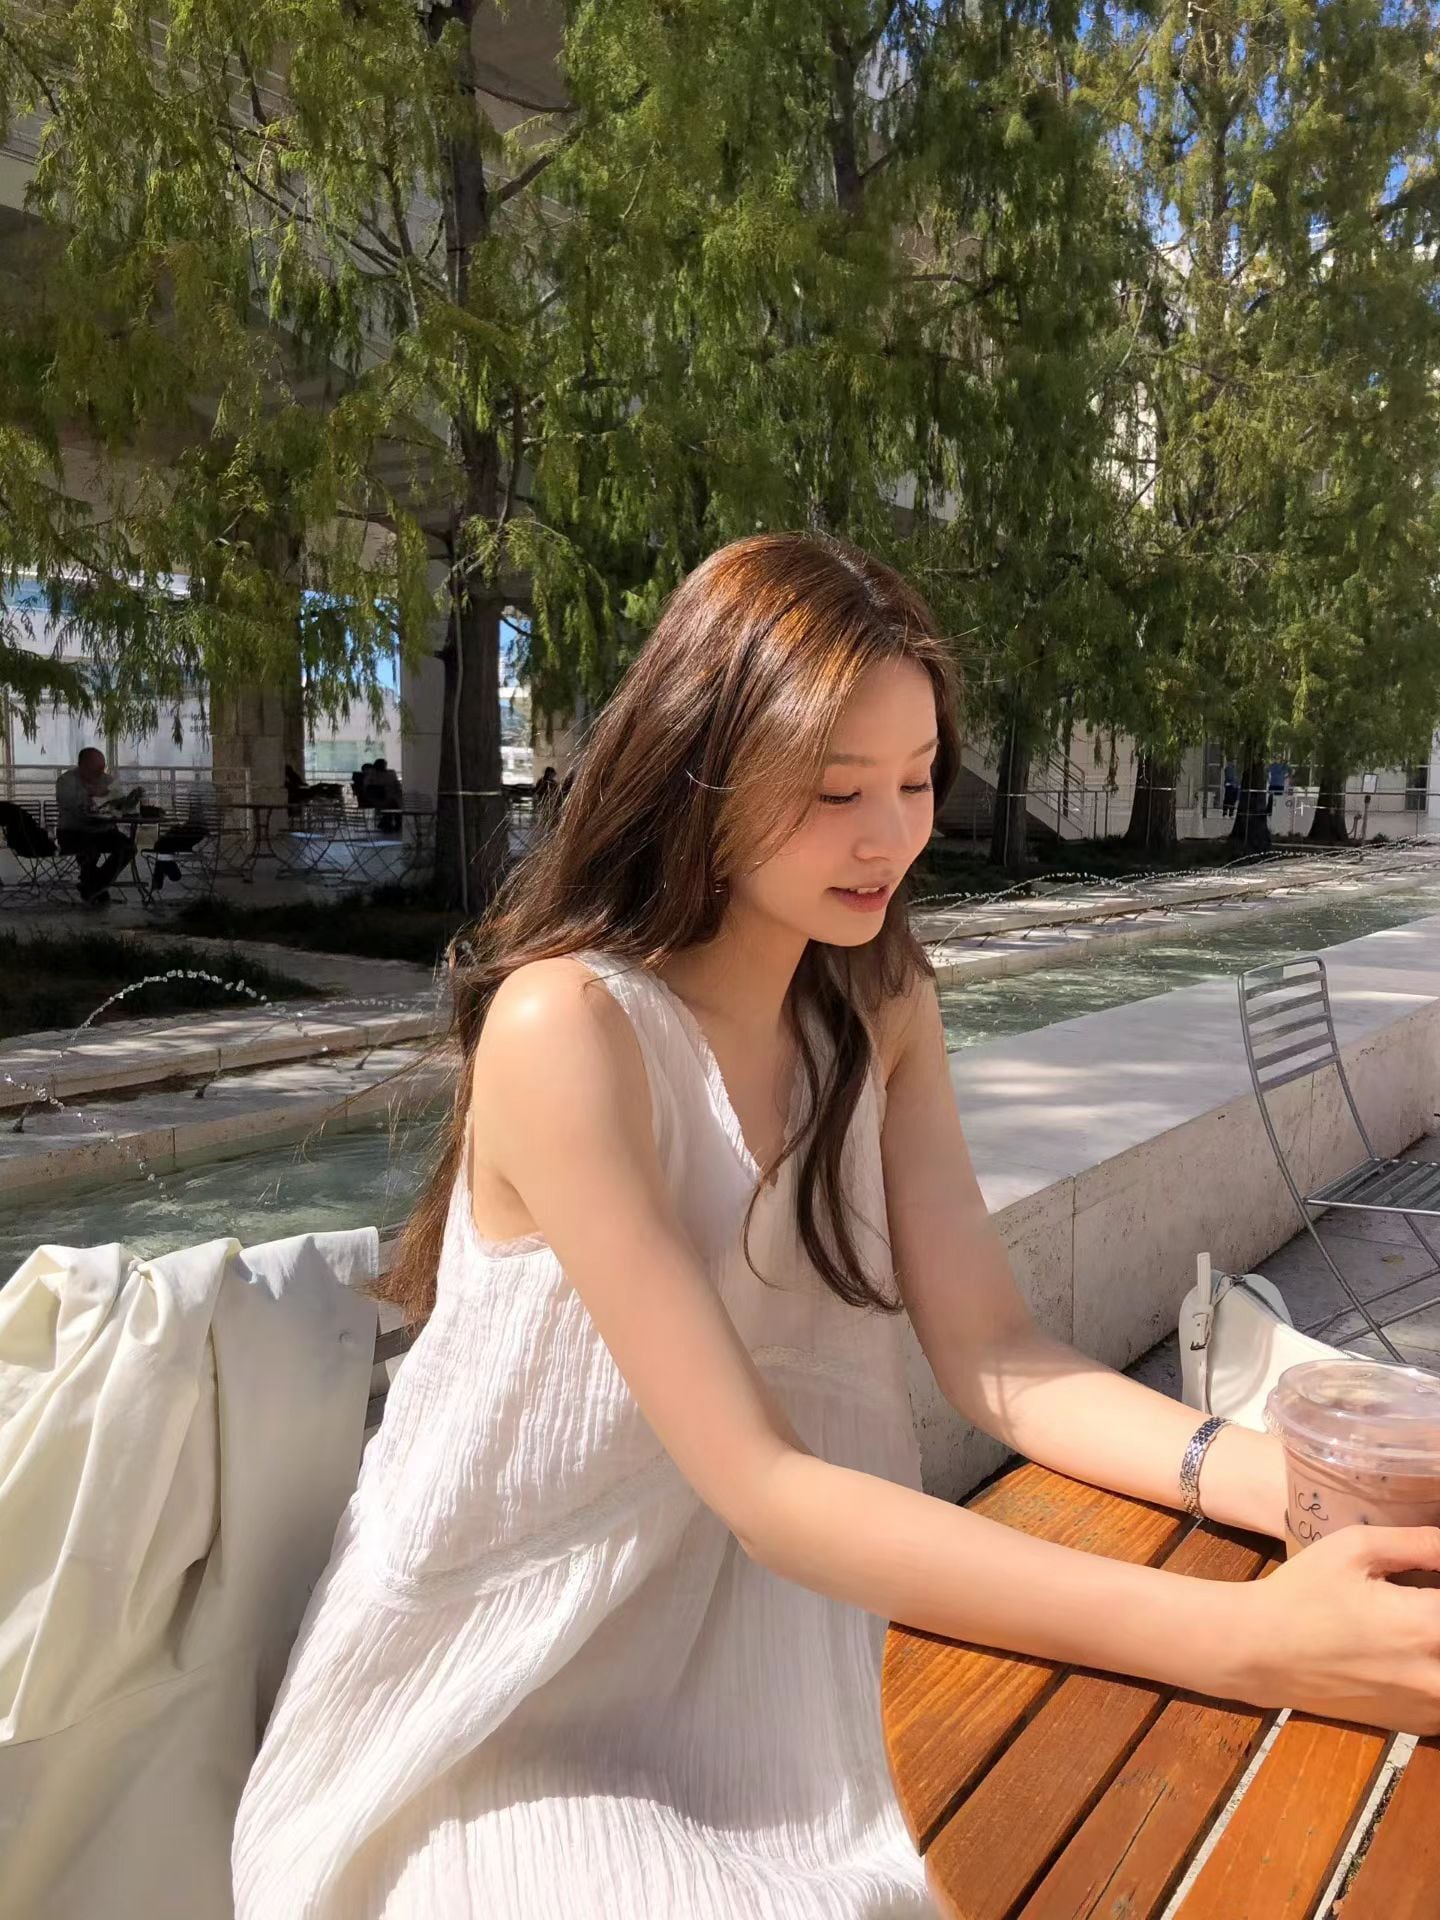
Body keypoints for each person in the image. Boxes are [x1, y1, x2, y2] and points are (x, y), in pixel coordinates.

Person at [232, 534, 1440, 1920]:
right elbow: (762, 1488)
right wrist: (1247, 1639)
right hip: (504, 1698)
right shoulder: (568, 1031)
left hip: (773, 1644)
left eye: (917, 781)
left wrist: (1285, 1488)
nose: (891, 837)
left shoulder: (878, 1001)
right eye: (834, 790)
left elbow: (997, 1357)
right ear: (701, 768)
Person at [54, 748, 141, 904]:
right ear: (82, 766)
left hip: (103, 830)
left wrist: (127, 803)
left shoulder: (108, 781)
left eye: (102, 767)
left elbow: (121, 806)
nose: (100, 773)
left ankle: (94, 887)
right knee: (89, 850)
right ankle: (96, 888)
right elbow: (73, 808)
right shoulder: (66, 781)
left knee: (128, 848)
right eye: (96, 769)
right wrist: (93, 797)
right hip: (73, 831)